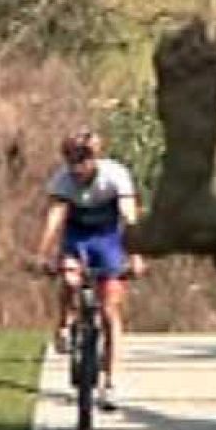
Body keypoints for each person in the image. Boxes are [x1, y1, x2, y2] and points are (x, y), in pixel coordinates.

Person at [34, 128, 144, 411]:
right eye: (72, 162)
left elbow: (129, 216)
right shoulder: (62, 180)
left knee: (109, 310)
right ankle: (64, 323)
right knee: (70, 279)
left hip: (108, 240)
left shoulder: (115, 176)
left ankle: (110, 382)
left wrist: (136, 255)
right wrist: (43, 253)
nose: (77, 169)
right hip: (77, 238)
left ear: (95, 159)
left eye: (83, 161)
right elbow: (54, 218)